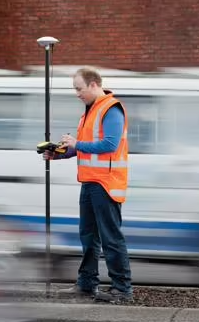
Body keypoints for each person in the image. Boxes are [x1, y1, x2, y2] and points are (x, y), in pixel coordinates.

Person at [43, 67, 133, 303]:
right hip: (90, 182)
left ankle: (122, 290)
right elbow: (84, 149)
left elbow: (109, 145)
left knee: (111, 238)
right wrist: (59, 154)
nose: (77, 93)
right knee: (88, 236)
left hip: (105, 184)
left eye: (79, 88)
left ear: (93, 85)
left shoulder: (111, 109)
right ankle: (86, 284)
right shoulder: (89, 111)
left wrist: (77, 142)